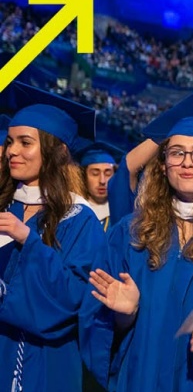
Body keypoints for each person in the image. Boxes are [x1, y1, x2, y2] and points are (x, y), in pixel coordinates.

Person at [80, 93, 193, 391]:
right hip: (139, 378)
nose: (187, 162)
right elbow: (96, 325)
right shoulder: (130, 235)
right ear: (163, 164)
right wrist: (124, 315)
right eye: (176, 152)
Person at [0, 82, 104, 390]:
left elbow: (75, 298)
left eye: (25, 142)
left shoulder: (80, 219)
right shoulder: (4, 204)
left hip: (47, 360)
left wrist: (28, 241)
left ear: (57, 152)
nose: (13, 151)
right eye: (10, 141)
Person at [76, 141, 123, 231]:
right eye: (95, 173)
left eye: (108, 173)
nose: (102, 181)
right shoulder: (74, 214)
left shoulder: (122, 214)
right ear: (83, 177)